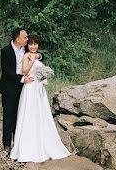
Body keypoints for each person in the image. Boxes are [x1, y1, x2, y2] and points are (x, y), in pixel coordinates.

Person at [9, 35, 71, 163]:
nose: (33, 46)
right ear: (27, 45)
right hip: (30, 88)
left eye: (35, 44)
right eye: (31, 44)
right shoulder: (26, 56)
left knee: (40, 115)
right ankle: (28, 148)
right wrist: (31, 60)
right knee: (29, 114)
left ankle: (44, 143)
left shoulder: (38, 55)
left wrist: (44, 77)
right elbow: (24, 72)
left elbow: (40, 68)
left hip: (39, 89)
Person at [0, 28, 32, 152]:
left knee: (21, 114)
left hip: (24, 87)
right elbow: (7, 72)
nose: (27, 39)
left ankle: (18, 143)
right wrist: (21, 78)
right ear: (18, 39)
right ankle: (7, 143)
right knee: (9, 115)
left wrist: (38, 55)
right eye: (25, 37)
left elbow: (40, 55)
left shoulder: (27, 49)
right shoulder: (6, 51)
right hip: (9, 86)